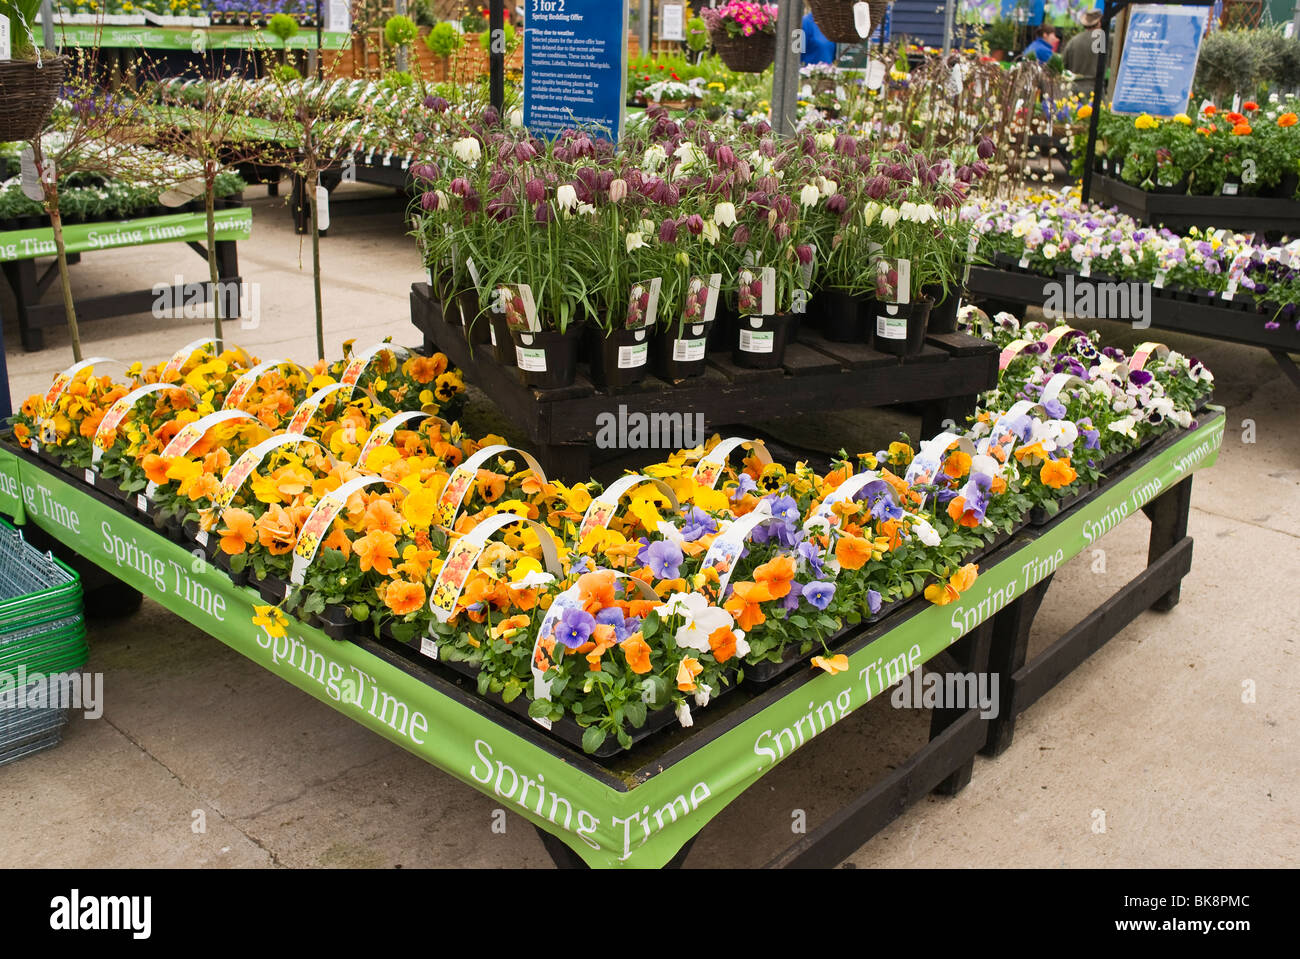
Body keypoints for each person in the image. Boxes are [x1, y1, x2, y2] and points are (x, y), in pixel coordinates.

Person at [1063, 7, 1104, 96]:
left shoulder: (1073, 41)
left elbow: (1064, 65)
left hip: (1074, 89)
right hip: (1095, 88)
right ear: (1099, 23)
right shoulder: (1104, 39)